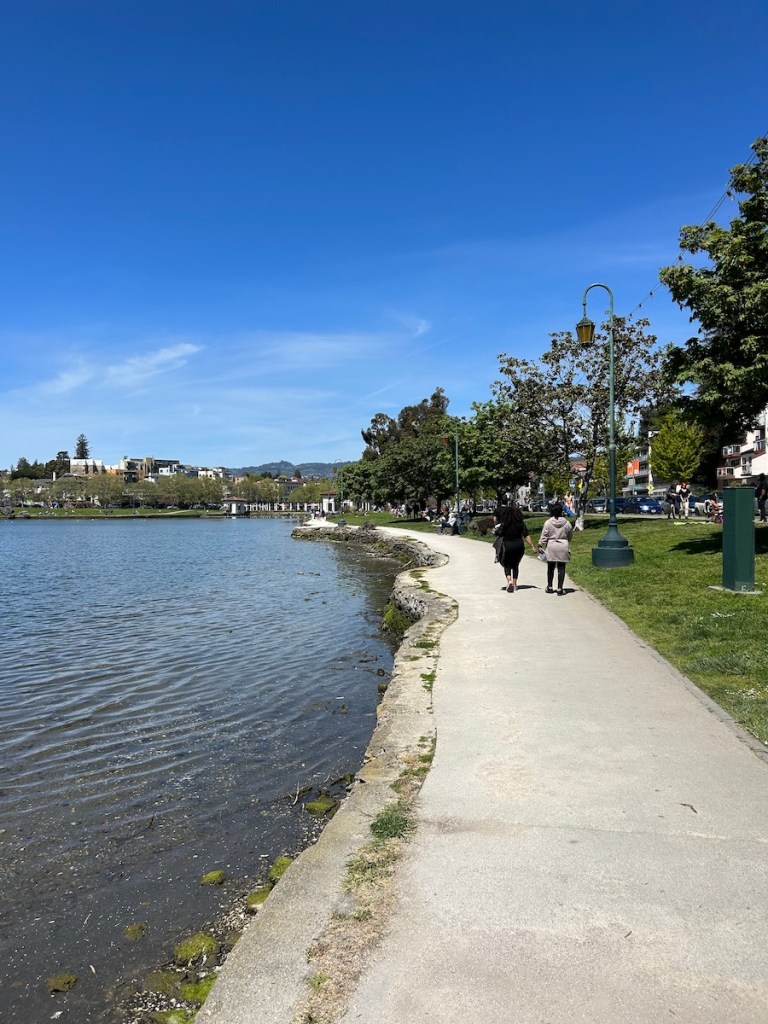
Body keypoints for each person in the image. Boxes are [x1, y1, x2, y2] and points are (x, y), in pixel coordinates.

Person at [494, 503, 536, 592]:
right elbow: (526, 535)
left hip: (507, 545)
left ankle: (509, 581)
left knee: (507, 564)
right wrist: (532, 546)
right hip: (519, 546)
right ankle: (515, 583)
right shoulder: (521, 524)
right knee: (516, 564)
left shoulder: (505, 524)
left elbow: (499, 533)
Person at [538, 501, 573, 596]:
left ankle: (549, 586)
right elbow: (570, 535)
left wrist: (540, 544)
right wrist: (567, 541)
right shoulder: (567, 523)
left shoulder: (548, 523)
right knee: (561, 568)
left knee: (550, 567)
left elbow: (544, 535)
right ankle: (560, 588)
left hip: (551, 546)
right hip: (563, 546)